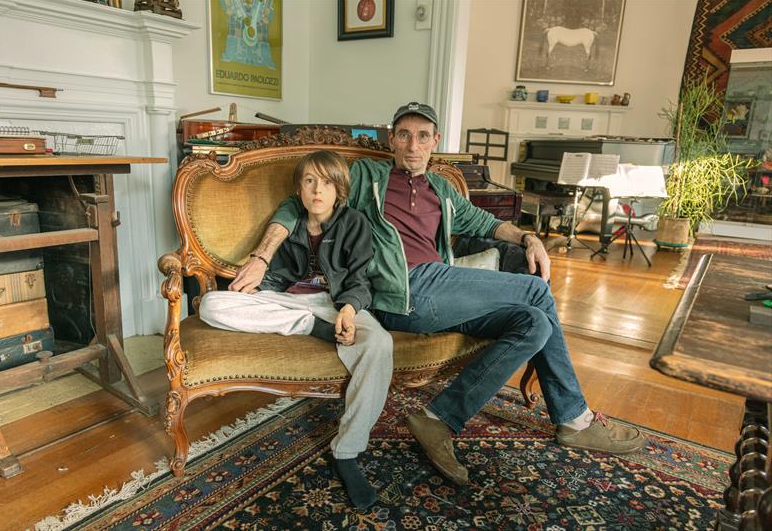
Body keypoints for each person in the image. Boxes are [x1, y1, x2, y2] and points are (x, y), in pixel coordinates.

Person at [231, 102, 645, 487]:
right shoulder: (365, 177)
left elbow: (488, 224)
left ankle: (439, 418)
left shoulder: (443, 190)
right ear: (392, 140)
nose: (413, 145)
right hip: (401, 290)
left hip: (439, 288)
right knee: (537, 291)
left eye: (423, 136)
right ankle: (574, 418)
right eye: (404, 135)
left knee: (534, 322)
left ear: (435, 141)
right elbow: (297, 204)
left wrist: (528, 237)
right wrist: (263, 256)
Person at [198, 151, 393, 508]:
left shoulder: (355, 223)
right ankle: (309, 327)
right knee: (211, 304)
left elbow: (360, 280)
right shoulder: (289, 218)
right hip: (286, 302)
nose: (318, 190)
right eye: (310, 181)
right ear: (299, 189)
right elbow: (273, 275)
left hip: (334, 303)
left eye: (327, 183)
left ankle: (347, 452)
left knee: (379, 343)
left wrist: (348, 310)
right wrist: (255, 289)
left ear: (340, 190)